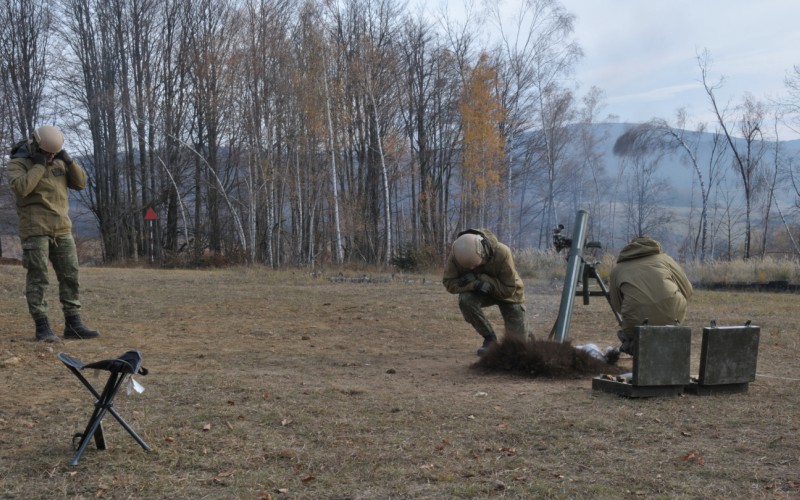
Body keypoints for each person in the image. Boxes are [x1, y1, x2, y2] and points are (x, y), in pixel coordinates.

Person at [6, 125, 99, 342]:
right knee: (38, 278)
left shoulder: (59, 160)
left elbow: (81, 183)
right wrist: (38, 166)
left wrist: (68, 160)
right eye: (47, 152)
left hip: (62, 228)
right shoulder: (17, 163)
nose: (50, 156)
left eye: (54, 153)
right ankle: (42, 326)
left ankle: (73, 325)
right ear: (38, 145)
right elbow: (22, 188)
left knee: (70, 276)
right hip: (35, 230)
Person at [442, 228, 529, 356]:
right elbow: (449, 283)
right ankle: (490, 339)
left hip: (507, 291)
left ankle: (527, 331)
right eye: (469, 268)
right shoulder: (457, 253)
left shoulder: (502, 252)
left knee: (517, 348)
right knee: (466, 300)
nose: (472, 269)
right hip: (479, 290)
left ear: (485, 251)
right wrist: (475, 284)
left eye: (476, 265)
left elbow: (508, 290)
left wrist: (481, 278)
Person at [609, 236, 692, 354]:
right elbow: (687, 290)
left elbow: (617, 305)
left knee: (630, 334)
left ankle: (634, 346)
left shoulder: (618, 269)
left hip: (636, 323)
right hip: (674, 317)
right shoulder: (666, 260)